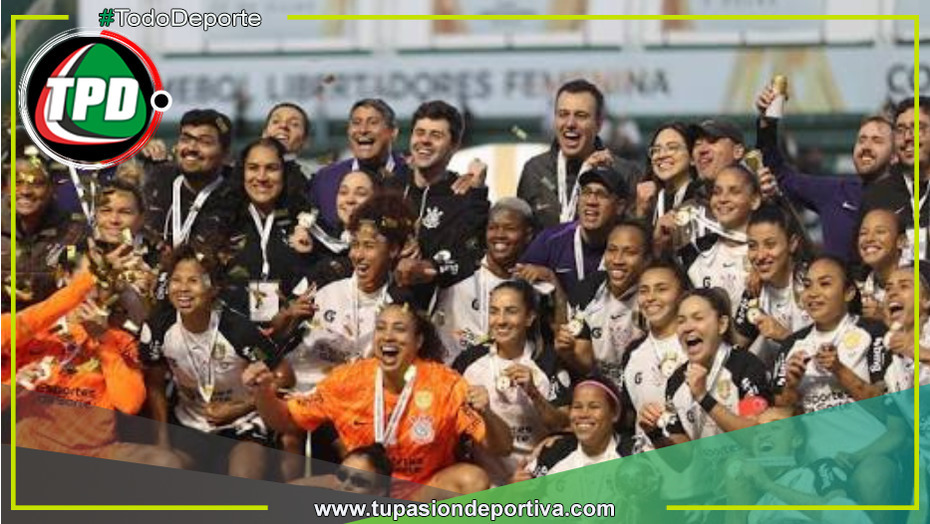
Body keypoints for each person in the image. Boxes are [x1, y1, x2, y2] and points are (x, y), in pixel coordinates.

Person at [248, 302, 513, 496]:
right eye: (381, 328)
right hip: (360, 487)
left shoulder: (446, 384)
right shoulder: (348, 380)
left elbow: (501, 447)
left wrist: (487, 413)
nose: (388, 336)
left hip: (420, 491)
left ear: (418, 341)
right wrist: (262, 391)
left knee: (472, 479)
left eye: (399, 329)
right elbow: (285, 421)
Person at [141, 246, 283, 478]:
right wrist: (162, 442)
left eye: (193, 281)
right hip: (190, 423)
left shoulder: (238, 329)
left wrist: (240, 409)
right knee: (163, 470)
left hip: (242, 424)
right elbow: (155, 384)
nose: (183, 289)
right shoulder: (158, 326)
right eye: (176, 280)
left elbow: (283, 373)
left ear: (213, 289)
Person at [756, 85, 894, 261]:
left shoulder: (913, 200)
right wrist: (766, 122)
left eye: (877, 141)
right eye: (861, 140)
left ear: (896, 156)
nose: (866, 147)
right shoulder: (835, 191)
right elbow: (779, 174)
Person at [453, 280, 571, 486]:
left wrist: (534, 394)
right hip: (481, 483)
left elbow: (564, 424)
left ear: (529, 317)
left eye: (511, 311)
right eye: (494, 311)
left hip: (536, 479)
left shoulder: (547, 360)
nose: (501, 320)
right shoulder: (469, 361)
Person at [292, 192, 415, 391]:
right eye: (355, 244)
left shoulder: (402, 302)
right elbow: (280, 331)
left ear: (393, 249)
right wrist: (288, 316)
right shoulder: (326, 278)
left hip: (359, 405)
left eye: (369, 246)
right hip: (303, 396)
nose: (357, 255)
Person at [640, 288, 773, 446]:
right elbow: (683, 461)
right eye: (681, 321)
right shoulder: (676, 382)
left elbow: (756, 436)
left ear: (722, 324)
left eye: (698, 318)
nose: (688, 327)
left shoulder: (745, 366)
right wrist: (654, 433)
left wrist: (703, 397)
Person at [517, 79, 641, 229]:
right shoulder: (535, 170)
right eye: (563, 114)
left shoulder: (624, 173)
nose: (570, 124)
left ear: (599, 123)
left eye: (581, 115)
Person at [393, 100, 490, 293]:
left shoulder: (463, 196)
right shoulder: (391, 186)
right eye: (419, 133)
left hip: (443, 310)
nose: (425, 141)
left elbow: (469, 256)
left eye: (436, 135)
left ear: (454, 145)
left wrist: (430, 268)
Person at [773, 255, 890, 415]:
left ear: (848, 292)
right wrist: (790, 387)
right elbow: (782, 412)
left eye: (825, 284)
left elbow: (886, 406)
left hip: (867, 437)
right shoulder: (792, 343)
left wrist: (839, 370)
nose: (812, 293)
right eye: (807, 285)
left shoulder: (874, 332)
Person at [433, 198, 540, 361]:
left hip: (507, 378)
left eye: (509, 228)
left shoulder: (533, 281)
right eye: (493, 228)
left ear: (528, 234)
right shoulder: (460, 270)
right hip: (450, 375)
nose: (499, 235)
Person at [724, 407, 873, 524]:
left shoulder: (819, 468)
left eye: (775, 428)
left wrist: (768, 485)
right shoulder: (757, 508)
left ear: (796, 440)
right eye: (757, 432)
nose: (763, 435)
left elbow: (845, 515)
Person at [223, 138, 313, 326]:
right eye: (253, 168)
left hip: (293, 337)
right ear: (242, 172)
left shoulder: (301, 221)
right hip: (232, 336)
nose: (262, 177)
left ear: (285, 173)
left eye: (271, 168)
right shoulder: (225, 221)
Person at [556, 220, 651, 382]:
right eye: (612, 250)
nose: (618, 260)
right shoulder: (587, 290)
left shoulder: (654, 296)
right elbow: (587, 364)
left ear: (647, 259)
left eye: (630, 252)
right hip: (603, 390)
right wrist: (568, 353)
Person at [519, 165, 629, 297]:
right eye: (586, 192)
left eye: (601, 194)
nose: (591, 201)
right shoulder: (551, 239)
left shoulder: (630, 246)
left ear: (620, 206)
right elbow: (517, 287)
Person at [143, 109, 241, 249]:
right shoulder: (156, 181)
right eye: (185, 139)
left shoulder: (238, 197)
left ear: (225, 153)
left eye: (205, 142)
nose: (191, 147)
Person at [309, 99, 409, 234]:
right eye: (356, 123)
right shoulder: (325, 179)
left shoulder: (411, 177)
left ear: (393, 132)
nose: (363, 130)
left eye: (373, 122)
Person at [620, 259, 690, 446]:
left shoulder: (697, 346)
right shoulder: (632, 352)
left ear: (682, 295)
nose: (650, 297)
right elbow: (628, 419)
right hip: (646, 468)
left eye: (661, 289)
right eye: (644, 290)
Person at [733, 204, 812, 368]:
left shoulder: (813, 285)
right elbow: (736, 347)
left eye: (770, 244)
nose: (760, 256)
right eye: (753, 246)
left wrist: (784, 336)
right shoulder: (754, 290)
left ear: (792, 243)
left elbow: (834, 352)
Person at [2, 154, 86, 310]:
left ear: (52, 188)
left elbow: (75, 278)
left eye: (37, 183)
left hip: (48, 321)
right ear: (5, 186)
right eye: (17, 182)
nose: (26, 191)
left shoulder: (72, 232)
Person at [514, 376, 634, 480]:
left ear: (614, 414)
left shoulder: (634, 455)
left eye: (594, 407)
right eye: (577, 406)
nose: (583, 414)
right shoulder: (553, 453)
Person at [680, 164, 761, 316]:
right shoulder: (697, 249)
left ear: (755, 200)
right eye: (717, 192)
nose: (723, 199)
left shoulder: (766, 256)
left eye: (734, 192)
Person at [862, 96, 930, 263]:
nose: (907, 137)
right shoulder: (876, 196)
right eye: (900, 130)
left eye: (918, 129)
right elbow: (859, 265)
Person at [633, 122, 702, 222]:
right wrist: (641, 212)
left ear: (692, 157)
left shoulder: (703, 199)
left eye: (672, 148)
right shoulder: (649, 200)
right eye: (656, 150)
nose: (661, 155)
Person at [883, 265, 930, 392]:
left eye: (904, 286)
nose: (892, 293)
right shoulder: (885, 352)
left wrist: (919, 352)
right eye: (887, 289)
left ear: (926, 300)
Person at [856, 208, 905, 321]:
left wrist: (885, 318)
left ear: (901, 241)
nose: (869, 239)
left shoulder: (922, 282)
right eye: (863, 233)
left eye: (880, 232)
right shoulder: (856, 292)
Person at [691, 119, 746, 184]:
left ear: (737, 151)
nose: (702, 150)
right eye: (698, 144)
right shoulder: (689, 193)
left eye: (712, 141)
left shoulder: (755, 191)